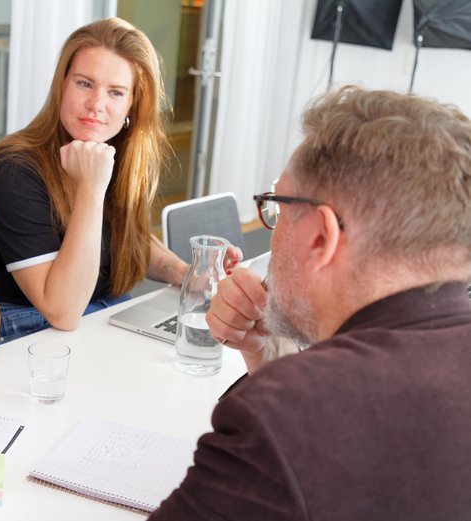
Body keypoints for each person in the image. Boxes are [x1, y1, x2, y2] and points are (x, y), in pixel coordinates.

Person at [150, 86, 471, 520]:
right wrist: (271, 353)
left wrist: (286, 387)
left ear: (321, 236)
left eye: (278, 209)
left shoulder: (286, 419)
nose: (273, 230)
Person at [0, 18, 242, 344]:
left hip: (105, 312)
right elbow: (61, 310)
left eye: (115, 92)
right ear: (61, 84)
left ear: (132, 103)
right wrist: (91, 187)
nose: (97, 105)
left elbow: (125, 235)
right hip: (32, 332)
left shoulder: (110, 150)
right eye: (84, 84)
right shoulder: (14, 170)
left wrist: (188, 273)